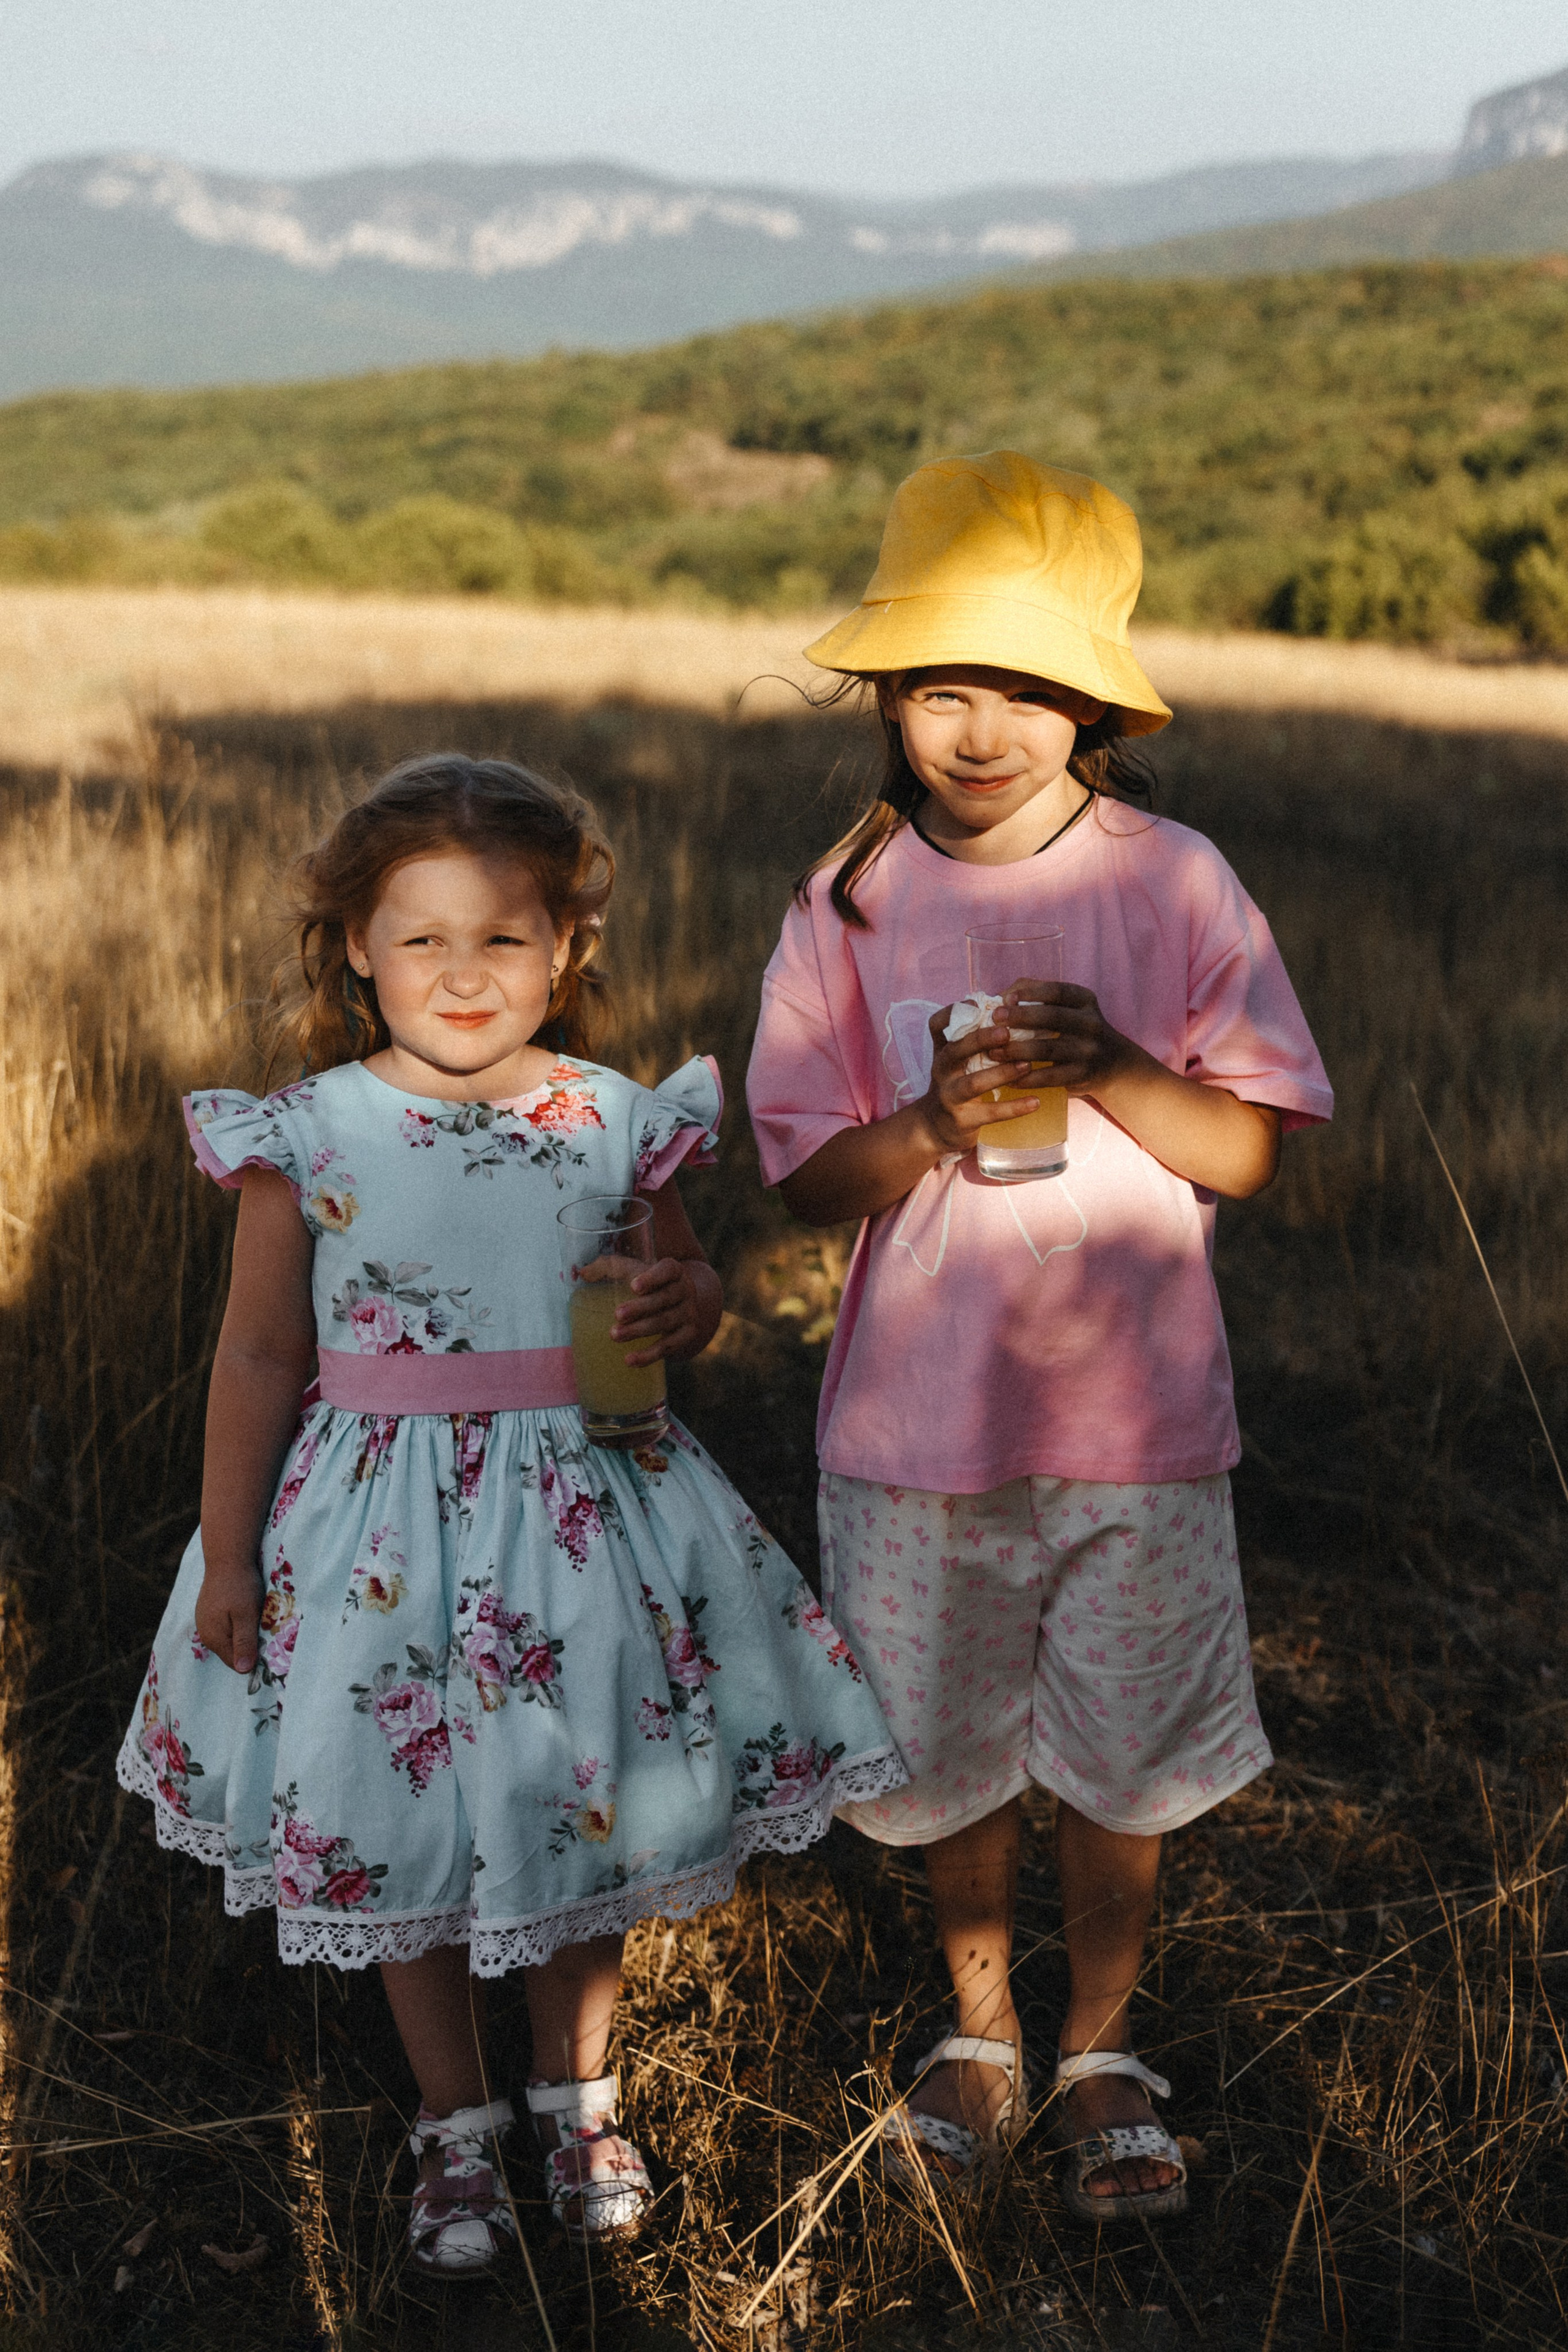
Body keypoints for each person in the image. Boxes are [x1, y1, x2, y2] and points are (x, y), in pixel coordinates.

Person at [118, 755, 903, 2276]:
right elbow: (261, 1354)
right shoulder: (310, 1130)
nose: (463, 972)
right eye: (421, 938)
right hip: (375, 1539)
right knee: (389, 1811)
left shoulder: (612, 1116)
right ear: (356, 949)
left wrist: (688, 1300)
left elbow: (686, 1285)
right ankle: (453, 2122)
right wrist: (228, 1552)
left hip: (583, 1510)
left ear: (565, 949)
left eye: (503, 937)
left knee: (583, 1796)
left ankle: (573, 2094)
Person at [745, 451, 1332, 2223]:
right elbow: (805, 1179)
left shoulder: (1175, 881)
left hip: (1135, 1419)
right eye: (941, 686)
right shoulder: (850, 899)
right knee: (942, 1743)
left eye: (1024, 685)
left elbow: (1247, 1150)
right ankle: (981, 2032)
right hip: (919, 1422)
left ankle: (1100, 2049)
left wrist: (1120, 1065)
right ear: (887, 699)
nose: (981, 727)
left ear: (1093, 702)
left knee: (1124, 1748)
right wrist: (928, 1122)